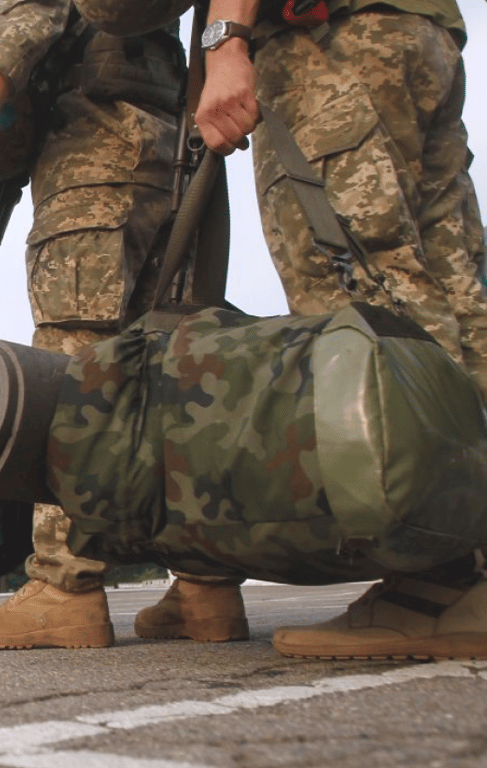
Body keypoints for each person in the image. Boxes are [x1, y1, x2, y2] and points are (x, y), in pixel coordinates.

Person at [0, 0, 252, 651]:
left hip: (90, 164)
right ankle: (204, 585)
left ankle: (64, 588)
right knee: (176, 372)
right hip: (179, 160)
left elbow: (14, 33)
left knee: (72, 373)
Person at [184, 0, 487, 659]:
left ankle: (438, 582)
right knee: (458, 299)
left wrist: (226, 37)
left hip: (326, 36)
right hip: (424, 26)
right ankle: (473, 568)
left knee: (356, 296)